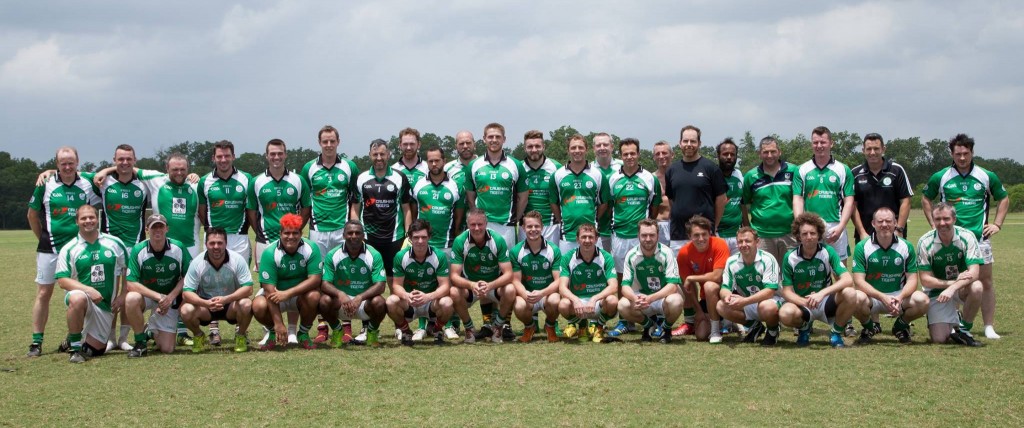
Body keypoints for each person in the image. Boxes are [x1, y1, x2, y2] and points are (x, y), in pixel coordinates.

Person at [921, 133, 1009, 340]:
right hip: (948, 239)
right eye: (958, 153)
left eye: (966, 153)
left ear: (972, 153)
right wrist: (933, 224)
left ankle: (988, 326)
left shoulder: (986, 175)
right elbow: (926, 198)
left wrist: (997, 224)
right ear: (951, 154)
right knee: (951, 279)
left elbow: (1003, 198)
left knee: (984, 282)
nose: (962, 158)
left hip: (978, 240)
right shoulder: (941, 176)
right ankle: (949, 321)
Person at [27, 146, 101, 357]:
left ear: (78, 163)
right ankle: (36, 341)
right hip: (49, 248)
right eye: (63, 163)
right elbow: (32, 215)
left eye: (71, 163)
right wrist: (42, 237)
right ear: (56, 164)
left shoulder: (87, 182)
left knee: (81, 294)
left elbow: (111, 176)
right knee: (43, 293)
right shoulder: (46, 183)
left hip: (79, 250)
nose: (67, 167)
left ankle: (73, 336)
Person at [301, 125, 360, 343]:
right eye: (324, 141)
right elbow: (305, 202)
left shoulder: (349, 166)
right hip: (317, 231)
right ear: (319, 143)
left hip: (341, 230)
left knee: (342, 277)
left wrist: (354, 224)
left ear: (338, 142)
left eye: (332, 141)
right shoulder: (309, 168)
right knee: (318, 279)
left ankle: (345, 325)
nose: (328, 145)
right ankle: (323, 325)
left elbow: (354, 199)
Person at [248, 139, 310, 347]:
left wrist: (297, 230)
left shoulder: (297, 180)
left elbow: (306, 207)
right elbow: (252, 211)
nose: (276, 157)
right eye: (272, 154)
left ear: (285, 155)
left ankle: (292, 330)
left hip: (292, 236)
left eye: (280, 153)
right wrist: (260, 233)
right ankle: (272, 330)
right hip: (266, 240)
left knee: (293, 279)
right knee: (269, 284)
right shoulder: (257, 182)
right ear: (266, 155)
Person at [778, 213, 864, 348]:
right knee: (785, 313)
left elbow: (847, 280)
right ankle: (804, 328)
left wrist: (821, 294)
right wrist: (805, 301)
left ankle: (836, 333)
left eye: (813, 233)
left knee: (851, 293)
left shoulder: (828, 251)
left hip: (825, 301)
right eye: (804, 234)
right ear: (798, 236)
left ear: (819, 235)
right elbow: (787, 291)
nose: (809, 237)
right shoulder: (790, 257)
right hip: (803, 303)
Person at [55, 205, 128, 363]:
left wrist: (123, 294)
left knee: (95, 350)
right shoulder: (69, 249)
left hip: (105, 304)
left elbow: (126, 270)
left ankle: (72, 339)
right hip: (84, 299)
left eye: (91, 217)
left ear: (98, 219)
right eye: (83, 218)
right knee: (78, 297)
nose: (88, 221)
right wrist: (89, 290)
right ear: (77, 222)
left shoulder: (115, 243)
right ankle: (75, 349)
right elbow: (62, 280)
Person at [605, 138, 661, 337]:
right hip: (620, 236)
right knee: (622, 279)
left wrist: (646, 229)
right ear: (621, 156)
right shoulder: (612, 178)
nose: (629, 157)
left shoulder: (649, 178)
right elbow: (608, 206)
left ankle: (654, 317)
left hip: (642, 237)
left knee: (645, 275)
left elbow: (654, 208)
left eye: (632, 153)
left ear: (638, 154)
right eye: (625, 154)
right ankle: (625, 320)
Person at [851, 208, 929, 344]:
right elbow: (858, 281)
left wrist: (900, 297)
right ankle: (870, 328)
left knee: (923, 301)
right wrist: (882, 297)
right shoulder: (862, 247)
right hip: (873, 298)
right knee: (853, 298)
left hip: (898, 297)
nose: (884, 225)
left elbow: (912, 280)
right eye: (880, 221)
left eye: (888, 221)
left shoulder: (906, 246)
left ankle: (900, 327)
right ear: (873, 223)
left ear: (895, 223)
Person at [123, 214, 193, 357]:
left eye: (161, 226)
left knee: (168, 348)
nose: (158, 230)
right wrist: (159, 297)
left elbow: (189, 276)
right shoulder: (138, 249)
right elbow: (130, 283)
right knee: (131, 298)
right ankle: (140, 342)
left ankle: (150, 329)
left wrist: (170, 297)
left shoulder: (178, 247)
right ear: (147, 229)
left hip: (169, 298)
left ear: (167, 228)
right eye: (154, 227)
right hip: (148, 296)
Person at [252, 213, 323, 350]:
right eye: (287, 233)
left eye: (295, 233)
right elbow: (269, 290)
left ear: (301, 233)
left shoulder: (311, 248)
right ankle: (272, 333)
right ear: (280, 233)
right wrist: (278, 324)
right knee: (258, 306)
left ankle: (303, 334)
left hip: (299, 296)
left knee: (314, 296)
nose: (291, 237)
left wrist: (288, 293)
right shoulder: (269, 252)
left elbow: (315, 280)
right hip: (276, 295)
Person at [916, 202, 984, 346]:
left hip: (961, 288)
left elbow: (975, 272)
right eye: (938, 219)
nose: (942, 223)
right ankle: (953, 318)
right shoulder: (925, 242)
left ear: (954, 219)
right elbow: (925, 279)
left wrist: (953, 288)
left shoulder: (967, 236)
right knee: (940, 339)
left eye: (946, 219)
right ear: (933, 221)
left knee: (977, 287)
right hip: (937, 291)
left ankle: (964, 329)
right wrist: (950, 284)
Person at [179, 227, 254, 353]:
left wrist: (226, 299)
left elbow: (249, 288)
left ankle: (240, 335)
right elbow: (187, 293)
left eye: (220, 243)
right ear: (206, 244)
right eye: (212, 243)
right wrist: (206, 303)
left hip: (230, 304)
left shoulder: (237, 259)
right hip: (206, 306)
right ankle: (198, 336)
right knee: (186, 310)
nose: (216, 246)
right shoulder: (197, 262)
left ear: (226, 243)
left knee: (246, 304)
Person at [352, 139, 413, 285]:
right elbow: (355, 208)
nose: (379, 158)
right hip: (368, 238)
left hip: (394, 239)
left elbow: (406, 209)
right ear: (369, 155)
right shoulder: (361, 178)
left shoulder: (399, 177)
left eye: (382, 154)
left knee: (395, 283)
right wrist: (356, 232)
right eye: (375, 154)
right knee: (369, 282)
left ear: (388, 154)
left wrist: (407, 235)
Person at [449, 209, 515, 343]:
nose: (477, 228)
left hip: (492, 285)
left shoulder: (497, 240)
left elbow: (509, 274)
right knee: (454, 292)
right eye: (473, 224)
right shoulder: (460, 241)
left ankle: (497, 326)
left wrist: (490, 285)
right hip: (471, 286)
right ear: (467, 224)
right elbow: (454, 276)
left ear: (486, 224)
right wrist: (472, 285)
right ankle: (469, 328)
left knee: (510, 290)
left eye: (480, 224)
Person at [387, 220, 455, 345]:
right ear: (410, 238)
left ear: (429, 237)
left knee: (447, 302)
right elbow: (396, 285)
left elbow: (445, 286)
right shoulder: (401, 256)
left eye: (424, 237)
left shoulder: (438, 256)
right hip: (410, 302)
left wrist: (428, 296)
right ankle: (406, 331)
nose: (420, 241)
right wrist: (407, 296)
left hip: (431, 303)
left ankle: (437, 330)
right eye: (416, 237)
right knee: (391, 301)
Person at [320, 221, 388, 347]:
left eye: (358, 233)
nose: (354, 236)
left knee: (379, 302)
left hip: (363, 303)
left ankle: (372, 332)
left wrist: (360, 297)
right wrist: (340, 294)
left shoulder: (374, 254)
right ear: (344, 235)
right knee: (324, 300)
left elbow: (381, 285)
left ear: (363, 236)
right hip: (342, 303)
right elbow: (324, 284)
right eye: (350, 233)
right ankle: (337, 330)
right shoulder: (333, 254)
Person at [793, 126, 855, 263]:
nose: (819, 146)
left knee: (840, 273)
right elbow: (798, 199)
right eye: (815, 142)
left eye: (823, 142)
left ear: (831, 143)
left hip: (835, 227)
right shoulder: (802, 169)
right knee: (810, 269)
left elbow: (849, 201)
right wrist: (801, 225)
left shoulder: (843, 169)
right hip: (810, 227)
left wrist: (841, 227)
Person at [617, 219, 683, 343]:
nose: (648, 239)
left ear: (658, 235)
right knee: (622, 305)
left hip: (662, 297)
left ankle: (666, 328)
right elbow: (625, 287)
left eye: (652, 235)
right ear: (638, 236)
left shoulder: (667, 253)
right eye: (644, 235)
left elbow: (673, 286)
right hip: (641, 297)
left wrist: (650, 298)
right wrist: (636, 299)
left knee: (676, 301)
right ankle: (648, 325)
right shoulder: (631, 255)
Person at [664, 125, 728, 254]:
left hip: (704, 235)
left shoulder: (711, 168)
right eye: (685, 141)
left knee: (707, 273)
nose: (689, 144)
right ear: (680, 143)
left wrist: (713, 226)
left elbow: (721, 199)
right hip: (679, 235)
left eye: (693, 141)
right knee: (681, 273)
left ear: (699, 143)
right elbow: (671, 199)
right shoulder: (672, 170)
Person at [716, 227, 783, 346]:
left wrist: (744, 301)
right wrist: (726, 297)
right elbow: (725, 287)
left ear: (757, 242)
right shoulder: (731, 261)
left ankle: (773, 331)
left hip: (772, 300)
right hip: (748, 301)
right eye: (740, 241)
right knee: (721, 306)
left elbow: (769, 291)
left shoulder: (767, 259)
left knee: (765, 306)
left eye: (747, 241)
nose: (744, 244)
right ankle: (755, 326)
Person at [465, 122, 528, 247]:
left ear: (504, 139)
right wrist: (477, 218)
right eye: (490, 137)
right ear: (484, 139)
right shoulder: (474, 165)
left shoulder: (515, 165)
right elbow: (470, 197)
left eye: (498, 137)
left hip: (506, 226)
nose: (494, 140)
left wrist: (514, 219)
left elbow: (523, 198)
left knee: (505, 264)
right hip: (482, 224)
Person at [672, 215, 730, 342]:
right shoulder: (684, 253)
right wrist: (698, 311)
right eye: (696, 235)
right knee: (701, 335)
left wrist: (692, 277)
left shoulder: (720, 244)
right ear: (689, 236)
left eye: (704, 234)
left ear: (710, 233)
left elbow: (717, 276)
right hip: (707, 298)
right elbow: (688, 288)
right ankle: (721, 322)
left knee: (710, 285)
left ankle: (716, 330)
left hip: (727, 293)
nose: (701, 238)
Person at [557, 223, 619, 343]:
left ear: (596, 239)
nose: (587, 240)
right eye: (583, 237)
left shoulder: (605, 257)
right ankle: (582, 326)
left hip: (598, 303)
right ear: (577, 239)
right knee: (563, 304)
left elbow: (614, 286)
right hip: (578, 304)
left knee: (612, 300)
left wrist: (594, 299)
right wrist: (575, 300)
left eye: (591, 237)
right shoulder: (568, 257)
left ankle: (599, 327)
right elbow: (562, 287)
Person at [742, 137, 798, 264]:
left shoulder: (794, 171)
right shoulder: (751, 176)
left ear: (779, 152)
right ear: (759, 153)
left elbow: (800, 199)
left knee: (791, 275)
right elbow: (743, 203)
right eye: (765, 152)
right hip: (762, 236)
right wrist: (748, 227)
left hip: (790, 234)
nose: (769, 155)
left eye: (773, 151)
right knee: (766, 275)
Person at [550, 134, 610, 254]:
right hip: (567, 235)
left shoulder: (597, 174)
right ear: (568, 150)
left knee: (595, 269)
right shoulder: (558, 175)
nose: (577, 151)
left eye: (580, 147)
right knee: (567, 270)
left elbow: (604, 203)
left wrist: (594, 217)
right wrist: (562, 219)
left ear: (586, 149)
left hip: (591, 234)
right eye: (573, 148)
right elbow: (553, 202)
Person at [510, 211, 562, 343]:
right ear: (523, 228)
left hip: (547, 295)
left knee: (556, 300)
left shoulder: (553, 250)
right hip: (528, 295)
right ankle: (529, 327)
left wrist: (542, 293)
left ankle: (550, 326)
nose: (533, 230)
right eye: (529, 227)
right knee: (519, 305)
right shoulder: (516, 251)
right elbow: (515, 280)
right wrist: (525, 293)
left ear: (542, 227)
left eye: (537, 226)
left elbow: (558, 281)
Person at [198, 140, 254, 261]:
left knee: (239, 278)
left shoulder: (246, 178)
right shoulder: (204, 181)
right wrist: (212, 230)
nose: (223, 160)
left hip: (239, 237)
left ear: (233, 157)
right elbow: (201, 211)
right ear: (213, 158)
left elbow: (251, 210)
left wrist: (243, 228)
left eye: (227, 156)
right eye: (219, 156)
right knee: (212, 277)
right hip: (213, 237)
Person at [851, 133, 913, 241]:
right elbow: (852, 205)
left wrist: (899, 230)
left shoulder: (896, 170)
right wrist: (861, 232)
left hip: (893, 234)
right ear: (863, 150)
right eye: (869, 149)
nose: (872, 152)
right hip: (865, 235)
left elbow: (906, 201)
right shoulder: (855, 173)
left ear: (883, 149)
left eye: (876, 148)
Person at [412, 146, 464, 253]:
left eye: (437, 160)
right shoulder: (417, 184)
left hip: (447, 244)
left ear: (444, 161)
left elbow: (459, 214)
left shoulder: (455, 185)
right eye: (431, 161)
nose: (434, 164)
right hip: (422, 243)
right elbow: (413, 211)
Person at [518, 130, 562, 247]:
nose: (534, 149)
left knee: (552, 261)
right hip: (526, 226)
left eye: (537, 146)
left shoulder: (556, 167)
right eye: (530, 146)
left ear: (543, 146)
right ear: (524, 148)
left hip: (551, 225)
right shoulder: (518, 167)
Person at [591, 132, 623, 252]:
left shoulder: (623, 166)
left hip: (621, 228)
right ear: (593, 148)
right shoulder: (589, 170)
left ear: (612, 146)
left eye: (605, 144)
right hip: (599, 229)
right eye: (598, 145)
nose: (602, 148)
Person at [716, 138, 744, 254]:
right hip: (718, 234)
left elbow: (742, 203)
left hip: (737, 235)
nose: (729, 157)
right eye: (725, 154)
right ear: (718, 155)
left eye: (732, 154)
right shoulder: (712, 174)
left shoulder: (739, 175)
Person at [652, 141, 674, 246]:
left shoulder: (680, 178)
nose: (661, 156)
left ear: (672, 155)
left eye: (664, 153)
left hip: (676, 224)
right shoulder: (650, 179)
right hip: (657, 224)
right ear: (653, 157)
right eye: (657, 154)